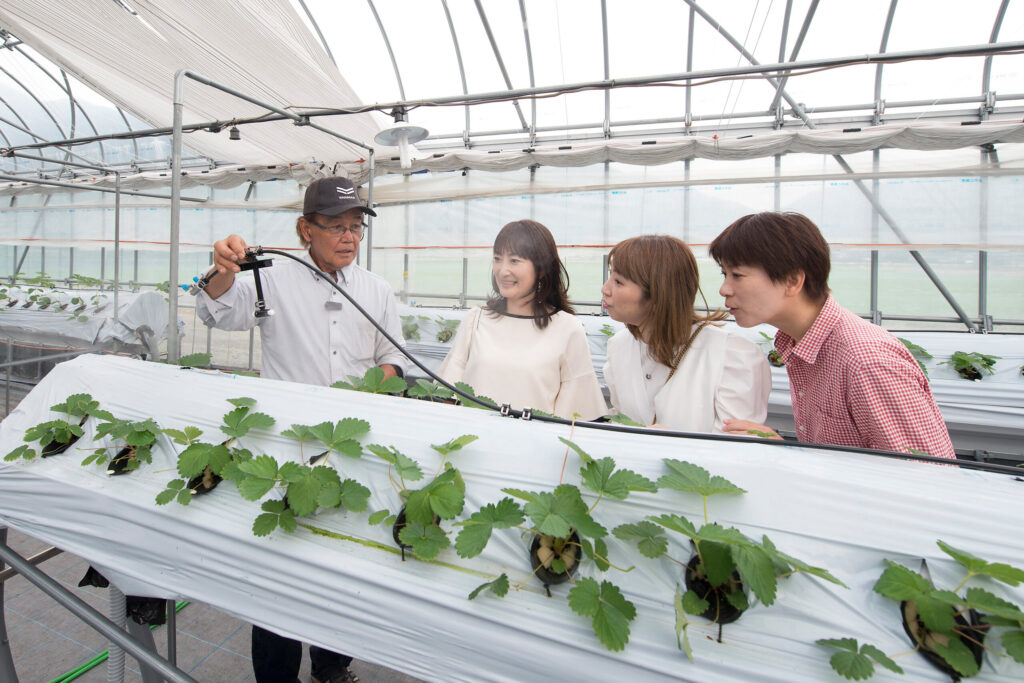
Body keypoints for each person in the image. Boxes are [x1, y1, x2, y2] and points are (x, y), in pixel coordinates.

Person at [197, 175, 404, 683]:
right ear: (304, 229)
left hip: (351, 452)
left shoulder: (375, 290)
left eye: (356, 226)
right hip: (285, 455)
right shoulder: (271, 280)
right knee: (279, 573)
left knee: (343, 566)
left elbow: (393, 361)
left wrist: (376, 389)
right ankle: (276, 675)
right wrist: (222, 268)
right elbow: (216, 310)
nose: (349, 237)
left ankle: (333, 666)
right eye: (335, 226)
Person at [708, 211, 956, 459]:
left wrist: (789, 456)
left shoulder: (866, 361)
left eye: (737, 275)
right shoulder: (800, 343)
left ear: (792, 281)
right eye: (724, 274)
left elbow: (930, 479)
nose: (724, 289)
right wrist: (787, 451)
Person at [438, 219, 606, 420]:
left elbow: (578, 414)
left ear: (542, 268)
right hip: (472, 442)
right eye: (498, 258)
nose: (502, 270)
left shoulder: (567, 328)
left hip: (533, 447)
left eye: (514, 260)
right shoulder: (476, 320)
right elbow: (447, 394)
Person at [600, 235, 770, 432]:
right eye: (610, 276)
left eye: (618, 282)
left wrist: (673, 447)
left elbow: (738, 447)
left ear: (658, 294)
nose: (605, 289)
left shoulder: (732, 356)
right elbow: (621, 418)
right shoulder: (619, 346)